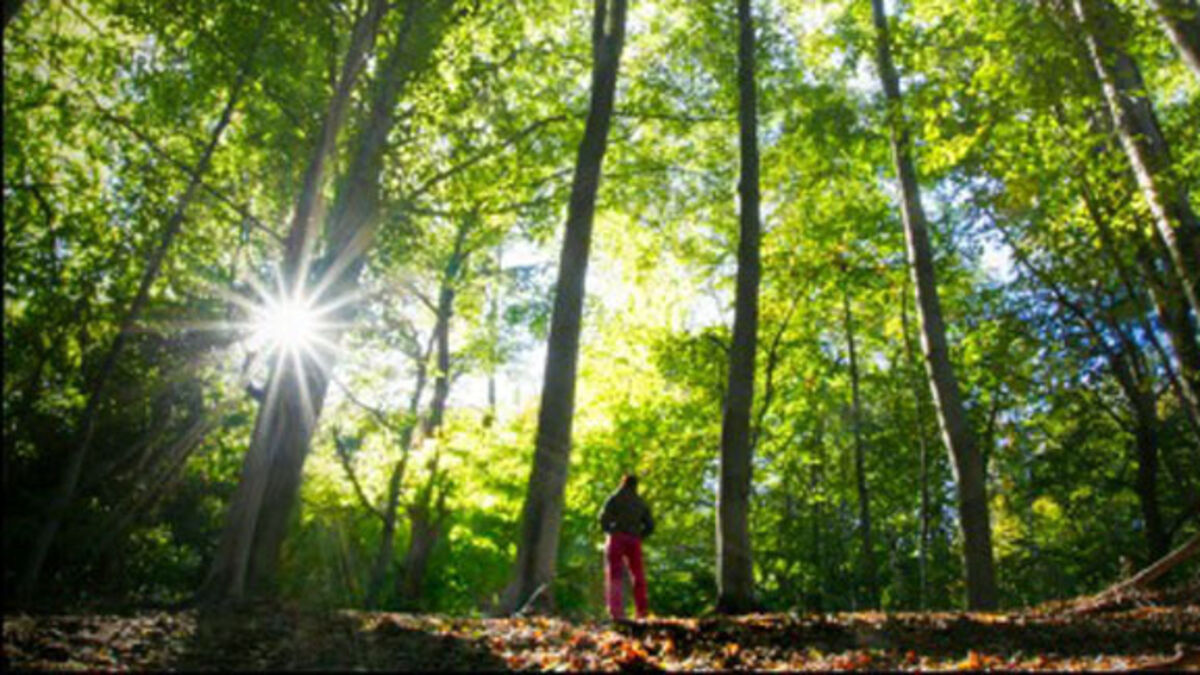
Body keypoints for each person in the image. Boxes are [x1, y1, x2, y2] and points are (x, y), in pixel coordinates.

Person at [598, 473, 654, 620]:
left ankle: (616, 612)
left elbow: (603, 518)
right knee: (638, 575)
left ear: (623, 482)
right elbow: (650, 525)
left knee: (615, 575)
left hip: (616, 538)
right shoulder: (640, 502)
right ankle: (642, 611)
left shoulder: (614, 498)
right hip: (634, 540)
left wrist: (610, 531)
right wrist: (639, 535)